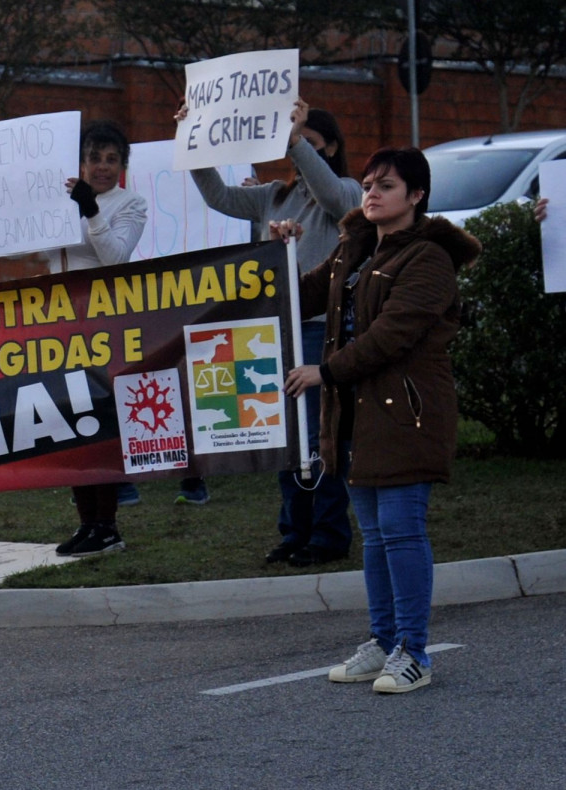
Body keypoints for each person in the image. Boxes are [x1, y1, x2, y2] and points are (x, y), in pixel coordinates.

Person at [279, 147, 479, 694]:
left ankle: (414, 652)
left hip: (406, 412)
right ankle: (384, 638)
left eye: (385, 186)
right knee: (373, 535)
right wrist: (280, 252)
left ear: (416, 196)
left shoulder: (430, 259)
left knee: (401, 530)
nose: (371, 193)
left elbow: (393, 335)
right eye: (368, 184)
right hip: (357, 413)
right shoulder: (355, 247)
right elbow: (297, 296)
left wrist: (325, 371)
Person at [180, 98, 361, 564]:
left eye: (311, 146)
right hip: (274, 332)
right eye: (295, 146)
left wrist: (297, 141)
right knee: (283, 436)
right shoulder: (272, 196)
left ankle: (328, 533)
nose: (298, 155)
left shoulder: (345, 193)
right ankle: (294, 531)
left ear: (330, 148)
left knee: (321, 436)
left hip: (321, 331)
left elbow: (333, 197)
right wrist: (194, 141)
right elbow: (218, 196)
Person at [46, 121, 147, 556]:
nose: (102, 167)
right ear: (81, 162)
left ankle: (108, 524)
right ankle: (87, 523)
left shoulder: (131, 204)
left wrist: (91, 210)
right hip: (58, 322)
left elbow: (116, 257)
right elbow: (19, 244)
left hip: (103, 324)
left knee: (100, 420)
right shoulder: (58, 198)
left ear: (123, 166)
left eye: (111, 159)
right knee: (71, 421)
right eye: (94, 158)